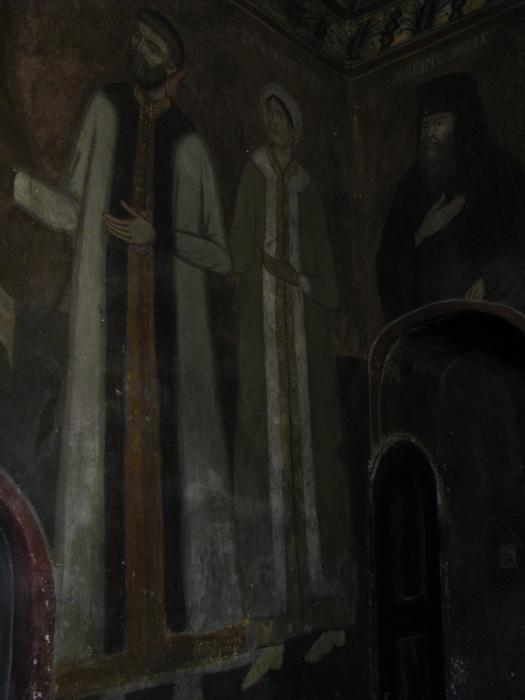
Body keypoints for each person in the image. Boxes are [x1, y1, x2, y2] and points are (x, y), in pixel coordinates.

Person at [2, 9, 241, 662]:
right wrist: (22, 191)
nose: (140, 49)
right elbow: (75, 206)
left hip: (169, 345)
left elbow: (219, 253)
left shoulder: (189, 144)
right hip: (106, 330)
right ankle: (105, 632)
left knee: (168, 470)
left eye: (153, 44)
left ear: (175, 68)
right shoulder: (105, 110)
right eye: (136, 40)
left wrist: (158, 235)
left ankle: (174, 622)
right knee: (106, 463)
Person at [230, 84, 354, 626]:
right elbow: (236, 253)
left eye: (283, 116)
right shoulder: (252, 175)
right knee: (262, 444)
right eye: (269, 114)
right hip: (261, 340)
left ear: (296, 128)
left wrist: (294, 276)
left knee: (315, 450)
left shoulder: (308, 189)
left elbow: (329, 285)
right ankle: (269, 593)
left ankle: (322, 589)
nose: (274, 123)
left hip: (307, 349)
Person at [376, 72, 525, 323]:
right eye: (425, 126)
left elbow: (519, 239)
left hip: (489, 315)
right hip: (433, 322)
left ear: (460, 123)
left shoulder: (497, 168)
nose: (429, 133)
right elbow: (387, 265)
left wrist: (490, 280)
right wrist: (421, 233)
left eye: (439, 123)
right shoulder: (412, 184)